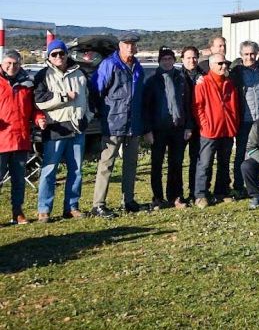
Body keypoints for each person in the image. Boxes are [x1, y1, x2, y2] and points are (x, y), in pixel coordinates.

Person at [90, 33, 146, 217]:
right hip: (113, 122)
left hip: (134, 123)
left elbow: (140, 96)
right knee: (106, 164)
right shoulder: (109, 64)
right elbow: (96, 91)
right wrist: (102, 114)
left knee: (131, 164)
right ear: (120, 46)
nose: (130, 47)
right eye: (126, 44)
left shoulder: (138, 67)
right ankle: (98, 204)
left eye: (133, 44)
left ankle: (128, 200)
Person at [34, 40, 89, 223]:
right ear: (49, 56)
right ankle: (44, 209)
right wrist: (64, 97)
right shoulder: (43, 75)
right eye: (54, 54)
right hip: (56, 128)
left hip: (77, 127)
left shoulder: (80, 73)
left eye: (61, 53)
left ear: (67, 54)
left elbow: (89, 99)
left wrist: (86, 117)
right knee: (49, 170)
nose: (58, 57)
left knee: (76, 170)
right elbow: (40, 100)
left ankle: (72, 206)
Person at [143, 47, 193, 209]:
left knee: (176, 164)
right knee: (156, 164)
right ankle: (157, 197)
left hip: (177, 127)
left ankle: (175, 196)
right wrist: (148, 130)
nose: (167, 62)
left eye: (170, 59)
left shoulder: (181, 78)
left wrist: (188, 127)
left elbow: (187, 105)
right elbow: (146, 108)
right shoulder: (152, 81)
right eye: (164, 59)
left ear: (174, 61)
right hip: (158, 128)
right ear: (159, 61)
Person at [1, 50, 46, 224]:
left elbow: (34, 109)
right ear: (2, 63)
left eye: (16, 64)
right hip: (1, 140)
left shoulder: (28, 84)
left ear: (21, 64)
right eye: (8, 63)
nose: (12, 67)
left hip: (20, 139)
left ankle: (17, 212)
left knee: (19, 180)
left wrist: (39, 118)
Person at [193, 53, 239, 208]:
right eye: (220, 63)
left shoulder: (229, 83)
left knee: (224, 163)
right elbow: (198, 107)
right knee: (205, 163)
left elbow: (234, 106)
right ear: (211, 65)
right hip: (210, 131)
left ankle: (222, 191)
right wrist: (205, 125)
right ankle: (200, 194)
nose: (223, 66)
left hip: (227, 129)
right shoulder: (203, 83)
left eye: (225, 63)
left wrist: (234, 123)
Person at [229, 41, 259, 198]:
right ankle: (238, 186)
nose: (249, 57)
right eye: (246, 54)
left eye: (252, 54)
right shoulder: (235, 73)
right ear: (241, 55)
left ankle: (254, 184)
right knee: (241, 154)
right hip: (244, 120)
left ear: (256, 53)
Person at [180, 45, 205, 203]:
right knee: (177, 161)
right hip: (181, 124)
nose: (192, 60)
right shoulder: (177, 75)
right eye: (188, 57)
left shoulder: (203, 76)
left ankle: (195, 192)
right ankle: (177, 194)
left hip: (198, 124)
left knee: (197, 160)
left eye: (194, 57)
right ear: (182, 59)